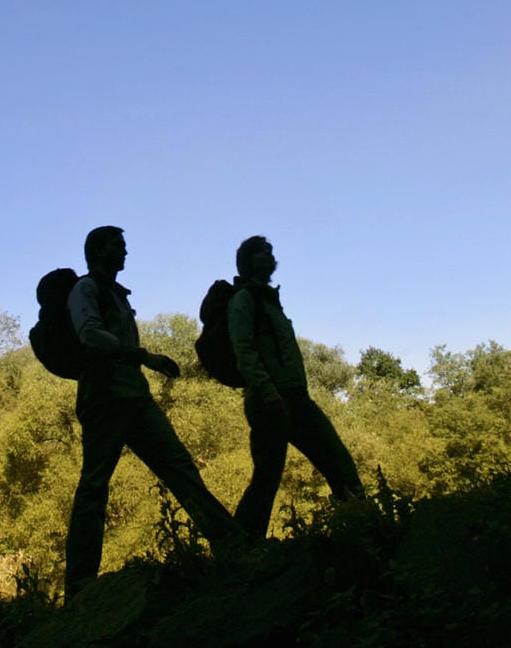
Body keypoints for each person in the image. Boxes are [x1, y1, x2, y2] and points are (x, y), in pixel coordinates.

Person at [64, 225, 247, 597]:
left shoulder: (112, 293)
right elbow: (90, 334)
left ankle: (230, 543)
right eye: (118, 246)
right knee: (95, 485)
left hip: (133, 396)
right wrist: (143, 356)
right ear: (98, 251)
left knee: (179, 468)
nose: (125, 252)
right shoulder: (86, 289)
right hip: (104, 396)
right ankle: (80, 583)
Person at [227, 236, 363, 536]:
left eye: (271, 250)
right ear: (248, 261)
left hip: (296, 397)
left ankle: (363, 532)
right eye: (262, 251)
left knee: (339, 466)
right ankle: (241, 550)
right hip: (270, 401)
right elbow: (244, 350)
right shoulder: (245, 300)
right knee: (267, 478)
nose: (270, 255)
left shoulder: (269, 301)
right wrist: (268, 393)